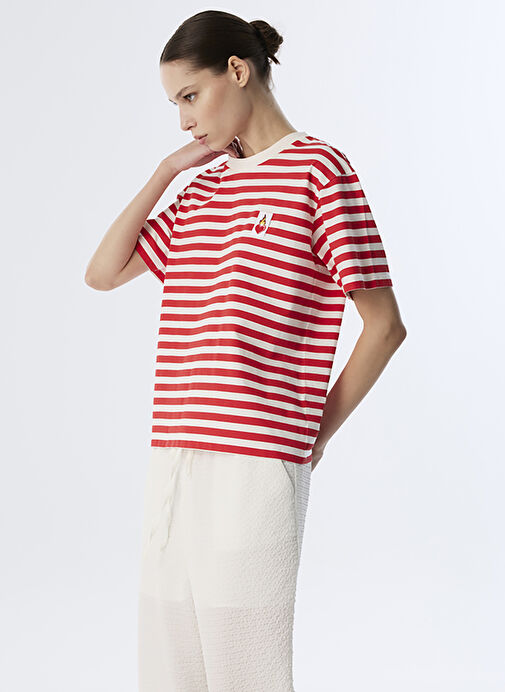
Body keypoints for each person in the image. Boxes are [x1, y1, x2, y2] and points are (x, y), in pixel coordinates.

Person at [85, 10, 407, 692]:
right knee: (169, 675)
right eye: (174, 105)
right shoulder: (203, 188)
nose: (184, 121)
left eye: (190, 96)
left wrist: (312, 435)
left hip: (254, 465)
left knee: (246, 674)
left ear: (237, 71)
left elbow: (384, 327)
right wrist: (166, 172)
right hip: (174, 461)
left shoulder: (318, 171)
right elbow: (103, 273)